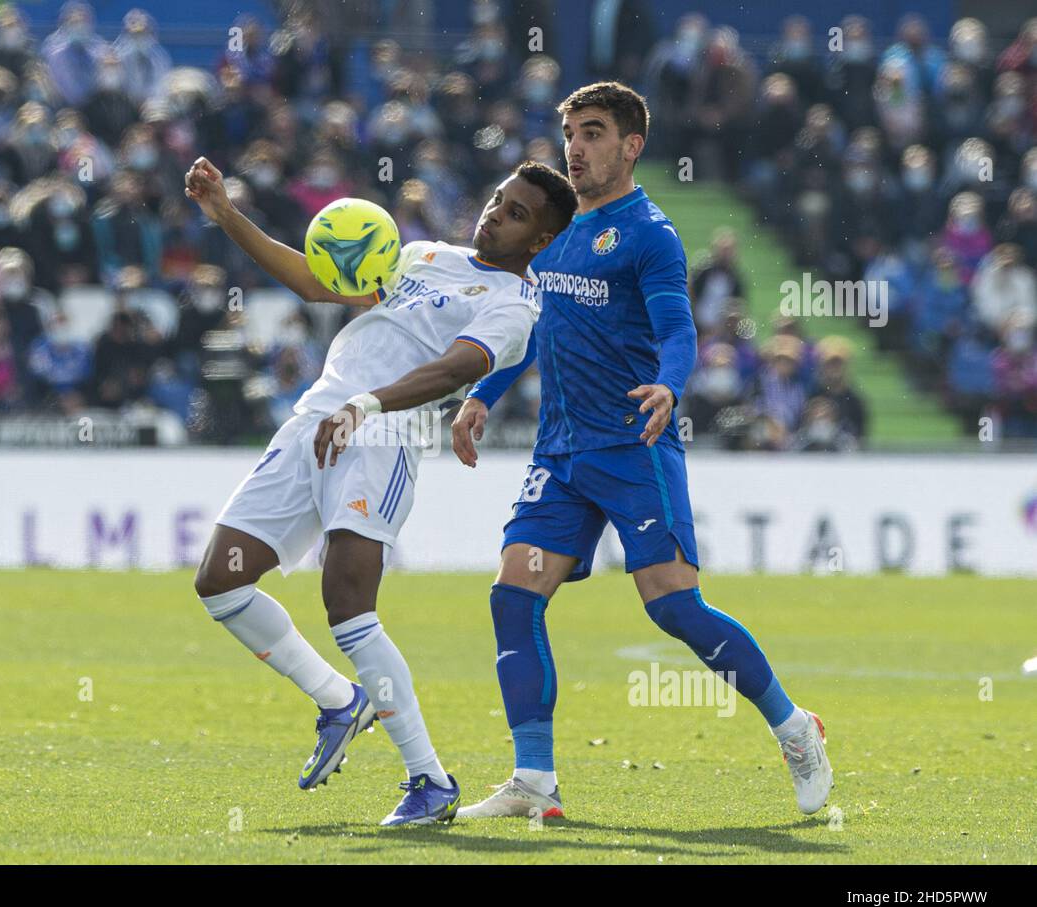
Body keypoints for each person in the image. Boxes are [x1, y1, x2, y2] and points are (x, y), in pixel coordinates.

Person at [452, 81, 833, 820]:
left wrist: (668, 385)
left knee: (675, 608)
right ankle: (534, 777)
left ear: (631, 146)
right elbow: (529, 330)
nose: (576, 146)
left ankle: (793, 726)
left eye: (593, 132)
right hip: (559, 454)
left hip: (633, 445)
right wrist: (481, 395)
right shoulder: (553, 228)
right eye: (570, 132)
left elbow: (680, 330)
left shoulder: (649, 234)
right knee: (513, 595)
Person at [185, 154, 576, 825]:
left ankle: (429, 779)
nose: (496, 215)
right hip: (315, 418)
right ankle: (339, 699)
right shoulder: (422, 253)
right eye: (497, 199)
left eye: (516, 214)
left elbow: (455, 368)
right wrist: (227, 215)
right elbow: (317, 281)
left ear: (540, 241)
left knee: (346, 602)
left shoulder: (514, 308)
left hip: (380, 437)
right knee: (220, 581)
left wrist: (367, 406)